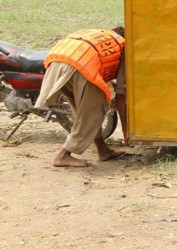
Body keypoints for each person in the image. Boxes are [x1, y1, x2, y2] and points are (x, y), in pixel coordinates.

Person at [37, 27, 128, 168]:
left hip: (58, 60)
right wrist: (127, 133)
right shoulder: (124, 46)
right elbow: (122, 94)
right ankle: (63, 155)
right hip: (81, 65)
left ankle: (103, 150)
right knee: (94, 111)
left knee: (83, 111)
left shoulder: (102, 35)